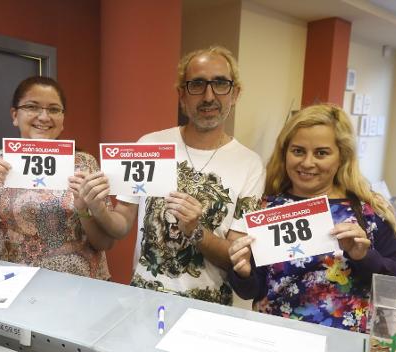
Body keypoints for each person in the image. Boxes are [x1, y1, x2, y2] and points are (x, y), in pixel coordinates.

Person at [78, 46, 264, 304]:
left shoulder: (249, 164)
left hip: (208, 309)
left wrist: (195, 230)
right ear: (181, 94)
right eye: (197, 84)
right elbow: (121, 225)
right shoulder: (149, 145)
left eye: (220, 83)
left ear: (235, 93)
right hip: (143, 300)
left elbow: (235, 255)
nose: (209, 96)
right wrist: (96, 207)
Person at [227, 103, 396, 332]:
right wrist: (242, 272)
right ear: (285, 153)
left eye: (321, 153)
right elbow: (253, 290)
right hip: (275, 342)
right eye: (298, 151)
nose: (308, 163)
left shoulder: (368, 212)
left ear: (342, 156)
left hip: (344, 348)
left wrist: (364, 256)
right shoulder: (265, 209)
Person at [0, 76, 112, 280]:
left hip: (83, 289)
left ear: (63, 118)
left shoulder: (84, 165)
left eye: (54, 109)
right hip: (16, 289)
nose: (44, 117)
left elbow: (105, 243)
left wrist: (85, 210)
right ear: (15, 115)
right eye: (32, 106)